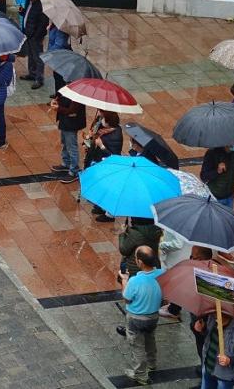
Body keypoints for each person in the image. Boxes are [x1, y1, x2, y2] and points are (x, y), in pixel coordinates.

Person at [120, 245, 163, 386]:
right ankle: (152, 363)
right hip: (154, 316)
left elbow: (127, 298)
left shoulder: (134, 281)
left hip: (136, 318)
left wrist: (124, 280)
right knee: (150, 338)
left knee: (137, 345)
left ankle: (140, 374)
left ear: (140, 262)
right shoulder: (162, 274)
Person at [196, 312, 234, 389]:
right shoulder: (212, 317)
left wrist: (230, 360)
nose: (216, 319)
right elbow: (206, 336)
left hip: (225, 376)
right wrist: (201, 329)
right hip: (208, 367)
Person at [87, 109, 123, 222]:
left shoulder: (115, 136)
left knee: (108, 188)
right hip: (99, 162)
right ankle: (100, 206)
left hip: (108, 166)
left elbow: (113, 155)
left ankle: (109, 214)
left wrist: (101, 146)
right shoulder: (105, 131)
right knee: (101, 186)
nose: (102, 121)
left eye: (104, 120)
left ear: (109, 122)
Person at [50, 95, 86, 182]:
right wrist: (55, 101)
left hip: (71, 124)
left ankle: (74, 171)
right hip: (65, 122)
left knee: (71, 147)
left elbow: (71, 110)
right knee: (65, 143)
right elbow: (62, 100)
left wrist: (58, 107)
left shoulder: (78, 96)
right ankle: (66, 163)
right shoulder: (69, 90)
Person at [20, 0, 49, 89]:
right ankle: (32, 74)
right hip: (28, 33)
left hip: (35, 36)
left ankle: (39, 79)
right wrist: (22, 12)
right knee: (31, 55)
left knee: (38, 57)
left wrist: (37, 36)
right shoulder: (29, 2)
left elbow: (43, 23)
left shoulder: (41, 6)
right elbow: (28, 16)